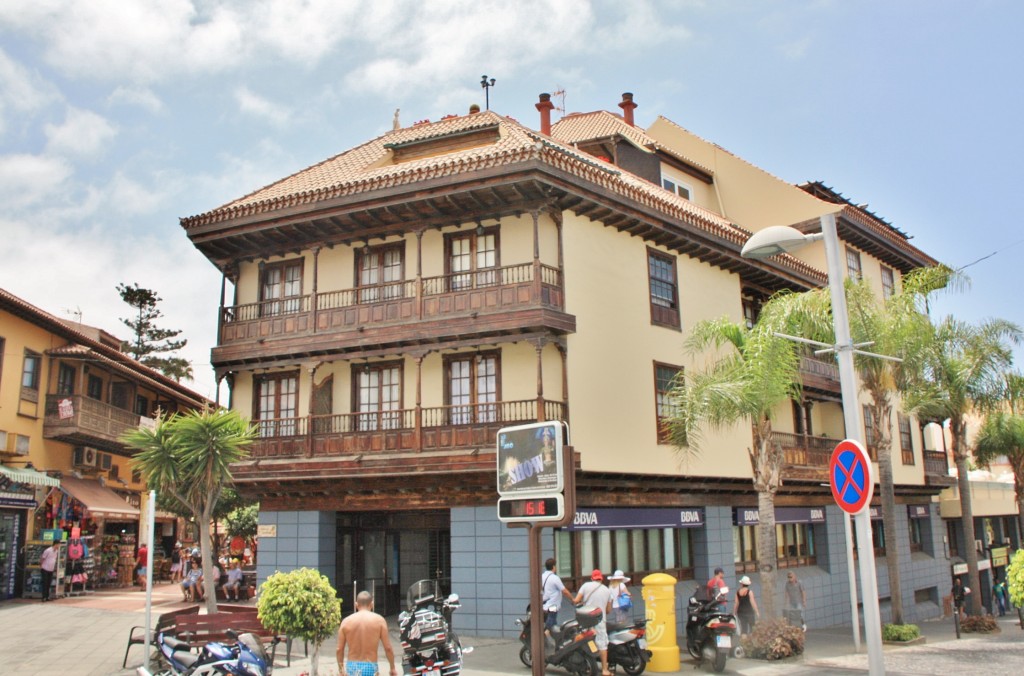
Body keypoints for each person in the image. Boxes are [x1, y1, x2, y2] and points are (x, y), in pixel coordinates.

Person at [337, 590, 397, 676]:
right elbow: (388, 648)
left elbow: (339, 649)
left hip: (352, 666)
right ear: (372, 604)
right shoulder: (379, 620)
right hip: (370, 666)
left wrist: (341, 670)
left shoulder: (346, 621)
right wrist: (392, 668)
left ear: (356, 604)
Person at [575, 569, 612, 676]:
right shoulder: (607, 590)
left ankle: (585, 664)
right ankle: (605, 670)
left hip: (586, 620)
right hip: (600, 620)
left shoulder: (586, 586)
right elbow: (608, 610)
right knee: (602, 644)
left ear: (592, 578)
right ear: (601, 578)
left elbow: (577, 600)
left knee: (584, 640)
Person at [541, 558, 574, 643]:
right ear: (553, 566)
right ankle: (545, 636)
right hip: (553, 605)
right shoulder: (554, 578)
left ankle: (554, 641)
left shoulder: (542, 576)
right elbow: (564, 591)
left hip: (544, 604)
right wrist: (572, 599)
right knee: (551, 622)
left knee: (553, 622)